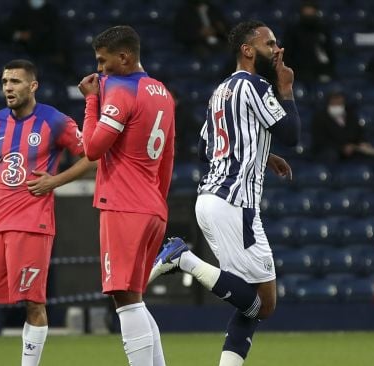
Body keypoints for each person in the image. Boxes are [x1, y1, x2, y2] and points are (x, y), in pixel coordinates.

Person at [149, 20, 300, 366]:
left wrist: (264, 153)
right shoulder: (257, 86)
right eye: (270, 44)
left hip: (211, 198)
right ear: (248, 50)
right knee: (265, 303)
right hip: (236, 203)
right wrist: (286, 87)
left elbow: (206, 147)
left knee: (249, 304)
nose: (277, 50)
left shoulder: (221, 92)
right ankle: (181, 257)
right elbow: (291, 133)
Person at [0, 59, 94, 366]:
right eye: (5, 81)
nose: (8, 87)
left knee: (33, 303)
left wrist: (55, 181)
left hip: (32, 225)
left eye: (15, 82)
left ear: (32, 86)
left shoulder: (54, 121)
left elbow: (93, 155)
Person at [78, 25, 175, 366]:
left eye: (103, 62)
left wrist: (91, 101)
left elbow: (92, 148)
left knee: (124, 298)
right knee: (134, 297)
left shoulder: (119, 89)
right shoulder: (162, 92)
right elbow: (168, 160)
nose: (100, 69)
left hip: (124, 205)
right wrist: (157, 202)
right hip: (152, 206)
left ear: (125, 57)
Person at [0, 0, 74, 79]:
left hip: (48, 54)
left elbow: (59, 34)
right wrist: (20, 35)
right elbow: (4, 32)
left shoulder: (51, 11)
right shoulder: (20, 11)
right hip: (24, 52)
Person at [311, 90, 374, 161]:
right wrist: (342, 148)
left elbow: (358, 133)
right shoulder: (320, 118)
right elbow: (321, 140)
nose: (337, 106)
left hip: (352, 149)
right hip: (331, 150)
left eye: (339, 104)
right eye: (334, 103)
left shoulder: (351, 116)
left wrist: (362, 142)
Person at [283, 0, 336, 84]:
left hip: (320, 72)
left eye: (311, 9)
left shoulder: (323, 29)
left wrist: (328, 71)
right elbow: (287, 54)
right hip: (298, 73)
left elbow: (330, 52)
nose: (309, 12)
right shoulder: (294, 31)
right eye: (307, 9)